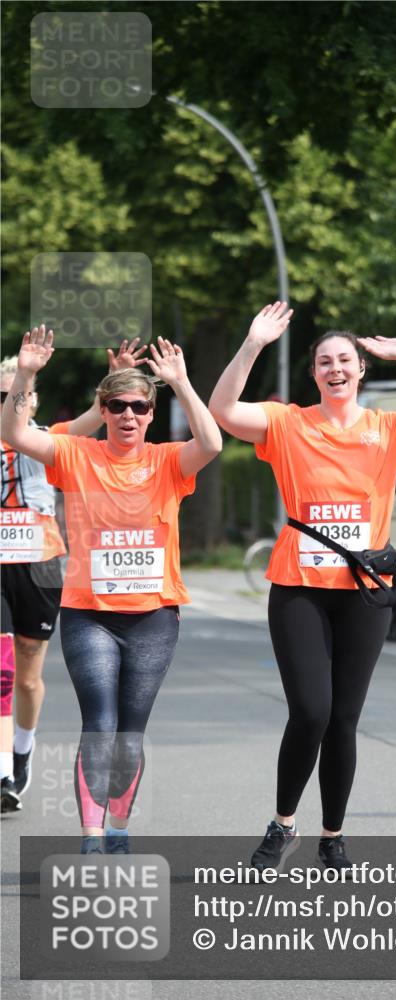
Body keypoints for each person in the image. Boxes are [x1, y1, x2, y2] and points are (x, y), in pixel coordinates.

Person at [209, 301, 396, 872]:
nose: (335, 367)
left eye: (345, 359)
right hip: (299, 586)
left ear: (360, 370)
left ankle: (333, 836)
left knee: (344, 718)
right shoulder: (287, 423)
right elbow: (222, 410)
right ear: (315, 375)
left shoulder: (390, 428)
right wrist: (253, 343)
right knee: (311, 710)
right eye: (324, 361)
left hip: (365, 591)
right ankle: (283, 825)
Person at [1, 326, 222, 851]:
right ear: (103, 410)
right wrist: (29, 372)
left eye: (139, 408)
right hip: (89, 614)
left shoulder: (169, 460)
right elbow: (14, 432)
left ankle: (119, 828)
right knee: (99, 722)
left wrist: (182, 383)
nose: (128, 416)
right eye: (118, 406)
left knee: (130, 732)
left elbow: (211, 442)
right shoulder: (76, 455)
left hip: (154, 616)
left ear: (150, 414)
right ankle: (93, 836)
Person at [1, 334, 149, 813]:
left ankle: (22, 751)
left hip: (40, 564)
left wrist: (115, 377)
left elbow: (99, 416)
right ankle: (3, 769)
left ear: (33, 397)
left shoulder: (54, 437)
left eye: (15, 394)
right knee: (3, 671)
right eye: (0, 396)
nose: (8, 402)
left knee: (26, 674)